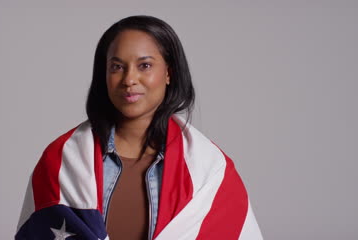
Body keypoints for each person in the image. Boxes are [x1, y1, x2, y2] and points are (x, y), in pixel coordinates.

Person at [15, 15, 263, 240]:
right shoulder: (61, 161)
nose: (129, 80)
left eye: (144, 65)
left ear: (169, 73)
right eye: (117, 67)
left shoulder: (210, 171)